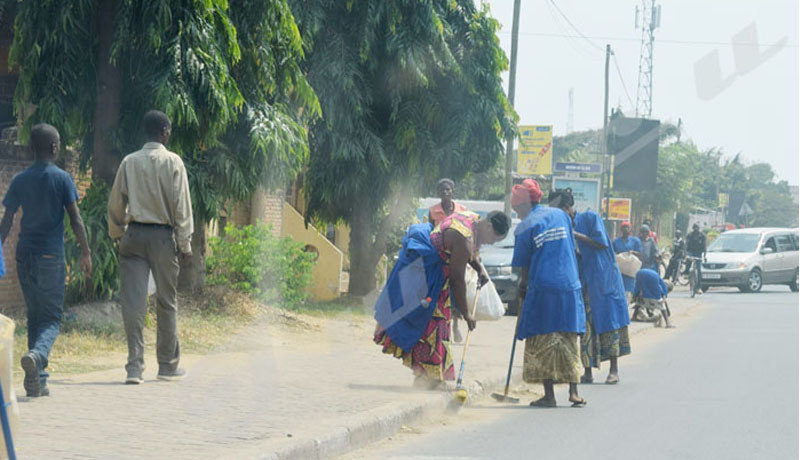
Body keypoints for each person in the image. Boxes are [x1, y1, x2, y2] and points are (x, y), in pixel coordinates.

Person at [0, 123, 92, 397]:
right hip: (51, 257)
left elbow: (6, 221)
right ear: (54, 148)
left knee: (35, 315)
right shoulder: (62, 178)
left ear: (30, 149)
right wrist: (86, 252)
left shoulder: (20, 180)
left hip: (24, 256)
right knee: (51, 318)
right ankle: (38, 357)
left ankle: (35, 381)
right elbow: (75, 219)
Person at [375, 211, 509, 389]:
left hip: (433, 273)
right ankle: (427, 378)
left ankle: (430, 377)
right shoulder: (464, 237)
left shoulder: (471, 218)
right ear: (489, 226)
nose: (491, 243)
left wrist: (478, 268)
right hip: (428, 275)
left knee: (438, 325)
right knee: (432, 325)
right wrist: (466, 313)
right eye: (494, 238)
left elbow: (464, 254)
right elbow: (457, 279)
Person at [108, 110, 193, 384]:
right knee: (166, 303)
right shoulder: (174, 162)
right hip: (162, 238)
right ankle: (167, 365)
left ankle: (134, 367)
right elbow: (182, 208)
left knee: (133, 303)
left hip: (133, 236)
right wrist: (185, 244)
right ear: (165, 131)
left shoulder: (129, 162)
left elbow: (115, 204)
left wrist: (118, 232)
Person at [513, 188, 586, 408]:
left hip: (543, 286)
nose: (516, 213)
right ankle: (574, 392)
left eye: (516, 208)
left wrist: (522, 288)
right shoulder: (561, 215)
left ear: (523, 206)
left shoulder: (524, 227)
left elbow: (524, 266)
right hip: (570, 284)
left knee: (542, 337)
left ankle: (549, 395)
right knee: (568, 337)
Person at [574, 210, 631, 385]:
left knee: (610, 323)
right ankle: (588, 371)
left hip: (603, 279)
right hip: (585, 281)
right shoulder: (563, 226)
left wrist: (577, 235)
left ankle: (613, 371)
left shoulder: (589, 218)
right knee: (586, 328)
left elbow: (602, 243)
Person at [428, 178, 470, 343]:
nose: (445, 193)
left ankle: (455, 326)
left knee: (457, 289)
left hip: (458, 257)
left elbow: (468, 231)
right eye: (442, 190)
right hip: (440, 257)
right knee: (441, 291)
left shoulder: (461, 210)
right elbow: (430, 233)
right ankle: (443, 326)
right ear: (438, 193)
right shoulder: (433, 211)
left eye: (448, 190)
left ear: (452, 191)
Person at [612, 221, 642, 295]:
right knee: (618, 288)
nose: (626, 229)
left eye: (627, 227)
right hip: (620, 269)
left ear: (630, 229)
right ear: (621, 229)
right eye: (624, 227)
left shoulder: (635, 241)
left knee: (629, 290)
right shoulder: (616, 241)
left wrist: (632, 252)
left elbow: (640, 253)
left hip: (630, 269)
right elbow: (612, 253)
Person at [685, 223, 707, 293]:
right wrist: (685, 254)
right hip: (691, 251)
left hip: (699, 253)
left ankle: (699, 287)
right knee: (688, 262)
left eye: (697, 228)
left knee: (699, 270)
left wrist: (705, 256)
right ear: (693, 228)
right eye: (694, 228)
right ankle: (687, 273)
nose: (696, 229)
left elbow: (705, 246)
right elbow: (686, 245)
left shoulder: (702, 236)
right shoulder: (689, 235)